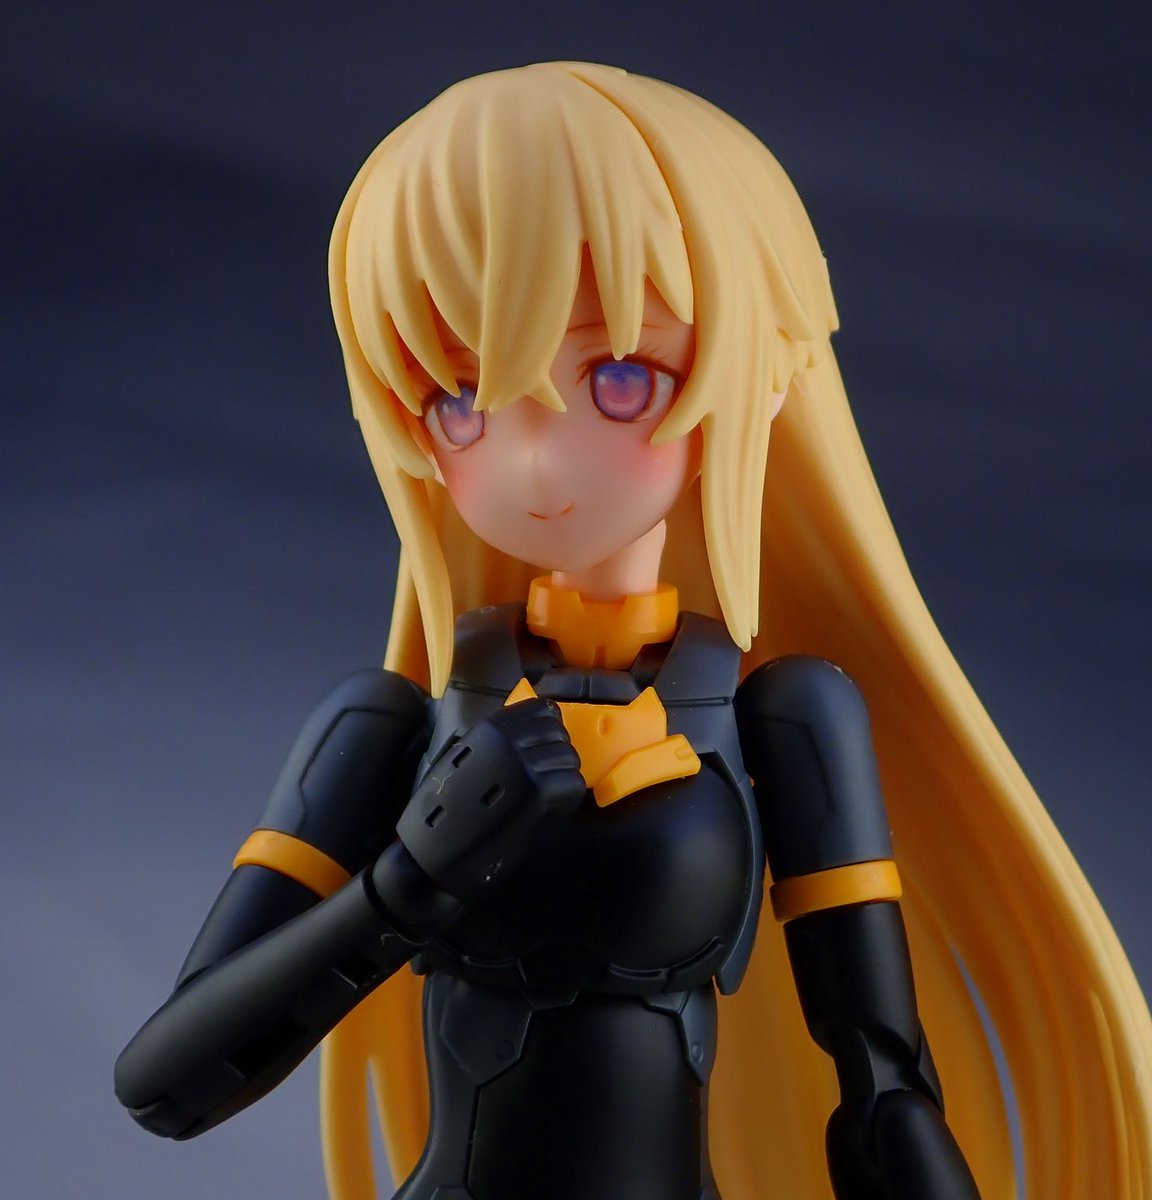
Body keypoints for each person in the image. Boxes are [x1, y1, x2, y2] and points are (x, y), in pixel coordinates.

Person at [116, 63, 1152, 1199]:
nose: (535, 463)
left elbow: (883, 1082)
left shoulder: (785, 720)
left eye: (619, 377)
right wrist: (401, 889)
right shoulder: (385, 729)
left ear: (760, 376)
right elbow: (167, 1084)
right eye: (457, 401)